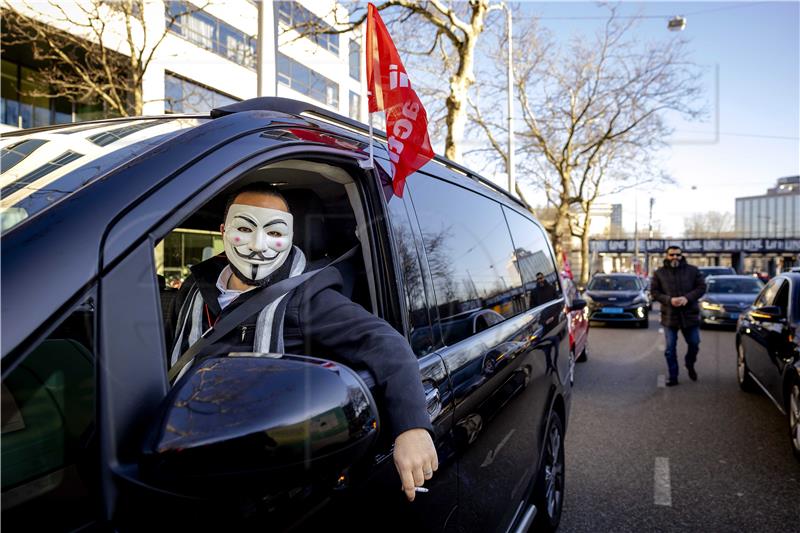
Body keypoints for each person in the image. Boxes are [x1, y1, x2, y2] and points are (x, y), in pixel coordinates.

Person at [167, 182, 437, 501]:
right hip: (175, 446)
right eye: (245, 227)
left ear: (290, 237)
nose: (257, 244)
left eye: (274, 232)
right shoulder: (193, 289)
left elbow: (384, 343)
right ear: (223, 230)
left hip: (252, 474)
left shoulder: (307, 296)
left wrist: (413, 427)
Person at [650, 246, 707, 386]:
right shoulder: (659, 273)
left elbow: (701, 288)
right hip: (670, 316)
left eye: (677, 255)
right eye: (672, 255)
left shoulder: (692, 271)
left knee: (694, 343)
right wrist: (669, 300)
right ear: (667, 256)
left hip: (690, 316)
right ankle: (673, 376)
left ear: (681, 256)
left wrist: (687, 298)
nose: (675, 257)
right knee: (670, 349)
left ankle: (689, 363)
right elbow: (654, 292)